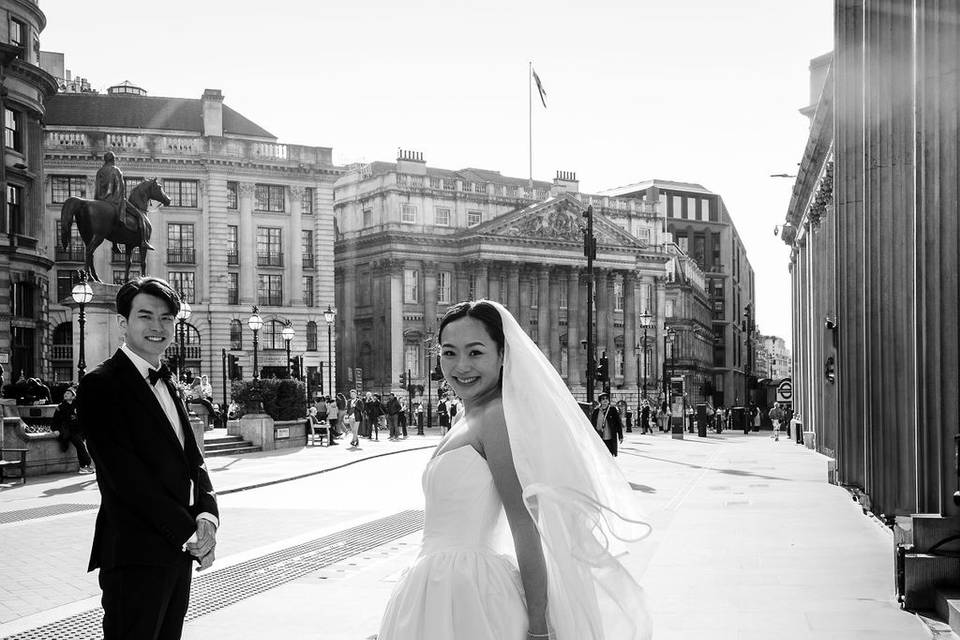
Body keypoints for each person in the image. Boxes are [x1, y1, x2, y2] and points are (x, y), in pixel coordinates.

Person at [378, 300, 651, 640]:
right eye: (449, 353)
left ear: (503, 354)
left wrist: (538, 626)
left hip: (467, 592)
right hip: (433, 585)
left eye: (475, 353)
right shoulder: (468, 416)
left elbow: (525, 524)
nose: (461, 365)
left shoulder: (496, 418)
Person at [76, 277, 218, 640]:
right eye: (145, 316)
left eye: (167, 318)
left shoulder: (169, 382)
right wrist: (189, 533)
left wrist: (207, 516)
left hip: (177, 552)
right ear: (124, 324)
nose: (157, 327)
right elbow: (125, 477)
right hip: (134, 555)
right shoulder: (101, 385)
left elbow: (193, 459)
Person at [95, 151, 153, 250]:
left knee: (111, 222)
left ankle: (115, 245)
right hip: (115, 200)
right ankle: (143, 241)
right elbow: (120, 189)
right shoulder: (116, 170)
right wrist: (120, 201)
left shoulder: (100, 172)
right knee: (140, 216)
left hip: (101, 201)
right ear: (113, 159)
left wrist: (98, 201)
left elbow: (97, 189)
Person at [51, 386, 94, 474]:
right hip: (69, 431)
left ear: (73, 396)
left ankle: (82, 467)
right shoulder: (60, 407)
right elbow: (55, 421)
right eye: (65, 393)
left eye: (68, 393)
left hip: (80, 430)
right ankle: (89, 464)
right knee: (81, 446)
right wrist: (55, 429)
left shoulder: (78, 405)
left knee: (80, 447)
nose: (65, 395)